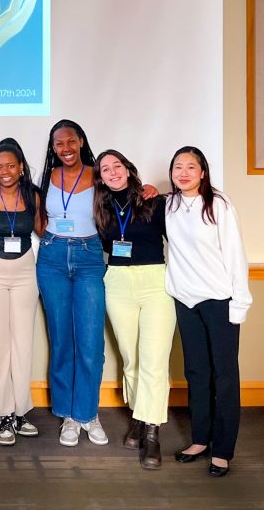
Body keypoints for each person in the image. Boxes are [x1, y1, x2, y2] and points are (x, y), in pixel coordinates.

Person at [165, 146, 252, 477]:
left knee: (225, 376)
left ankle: (223, 449)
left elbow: (236, 255)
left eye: (191, 166)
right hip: (185, 301)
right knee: (196, 373)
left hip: (220, 301)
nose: (183, 172)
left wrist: (239, 303)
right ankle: (200, 439)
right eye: (178, 167)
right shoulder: (169, 205)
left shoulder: (219, 204)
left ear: (203, 172)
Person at [93, 150, 174, 469]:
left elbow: (179, 238)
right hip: (117, 282)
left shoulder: (154, 201)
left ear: (128, 168)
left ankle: (151, 433)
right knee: (132, 359)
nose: (112, 172)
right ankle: (140, 417)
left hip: (156, 282)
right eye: (105, 169)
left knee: (154, 359)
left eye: (117, 166)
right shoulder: (100, 207)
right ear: (100, 177)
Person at [35, 119, 109, 447]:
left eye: (70, 142)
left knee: (90, 342)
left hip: (89, 257)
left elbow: (126, 194)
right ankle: (67, 414)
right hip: (52, 259)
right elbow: (40, 218)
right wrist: (55, 240)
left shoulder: (98, 174)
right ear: (53, 148)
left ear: (81, 141)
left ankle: (87, 412)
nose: (65, 149)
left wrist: (149, 190)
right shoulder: (46, 179)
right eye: (59, 144)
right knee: (62, 339)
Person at [0, 138, 44, 446]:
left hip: (26, 269)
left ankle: (20, 411)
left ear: (21, 167)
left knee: (22, 343)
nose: (4, 172)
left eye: (10, 166)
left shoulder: (33, 196)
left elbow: (43, 230)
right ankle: (3, 414)